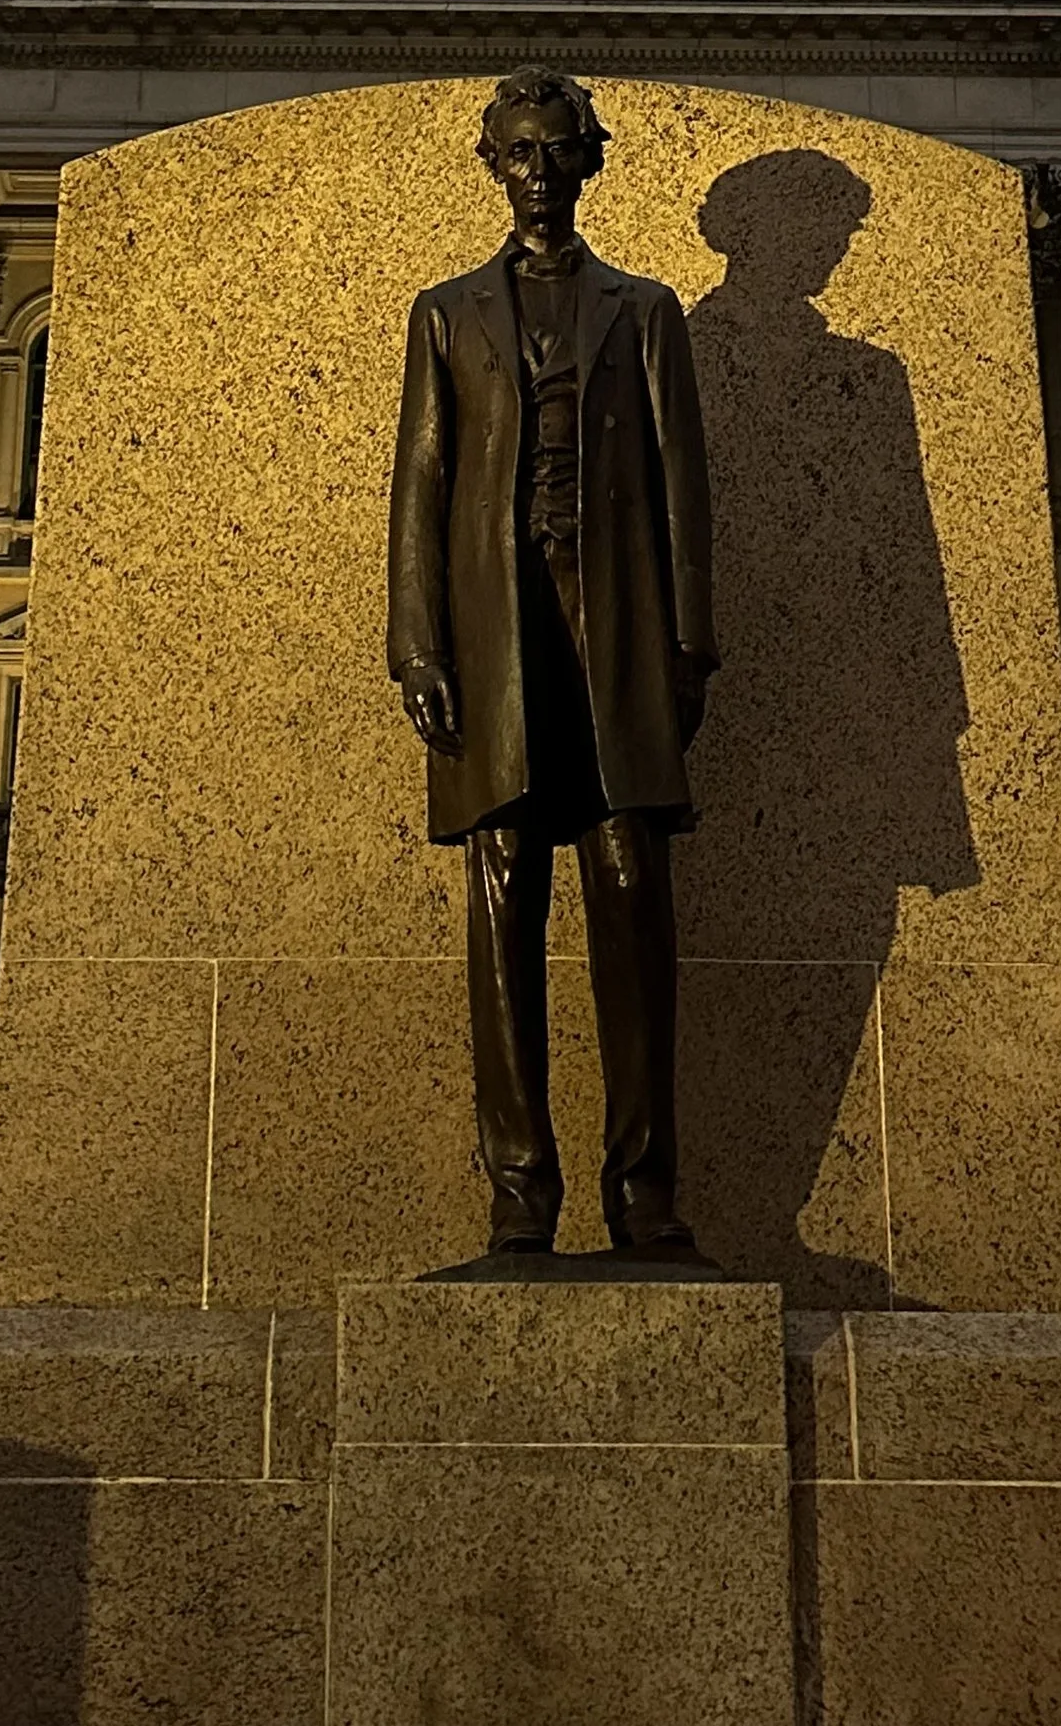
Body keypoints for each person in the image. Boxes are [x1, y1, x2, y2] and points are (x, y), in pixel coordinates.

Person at [387, 71, 715, 1257]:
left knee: (631, 895)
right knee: (503, 895)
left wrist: (689, 649)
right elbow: (420, 486)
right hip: (495, 633)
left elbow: (685, 492)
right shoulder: (444, 312)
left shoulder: (645, 310)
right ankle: (520, 1194)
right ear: (493, 165)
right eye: (517, 153)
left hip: (616, 625)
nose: (536, 171)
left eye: (555, 150)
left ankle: (645, 1194)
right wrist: (417, 645)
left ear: (589, 161)